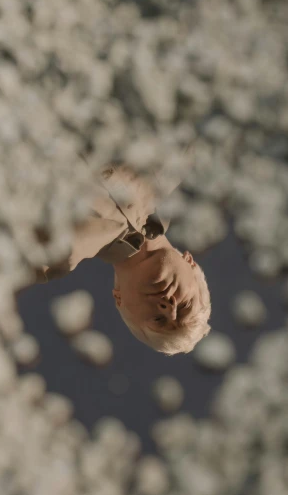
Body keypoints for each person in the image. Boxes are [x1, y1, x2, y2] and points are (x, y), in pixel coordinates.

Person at [32, 151, 211, 355]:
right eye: (185, 305)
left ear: (120, 301)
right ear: (190, 262)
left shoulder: (51, 257)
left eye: (159, 320)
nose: (169, 307)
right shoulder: (177, 157)